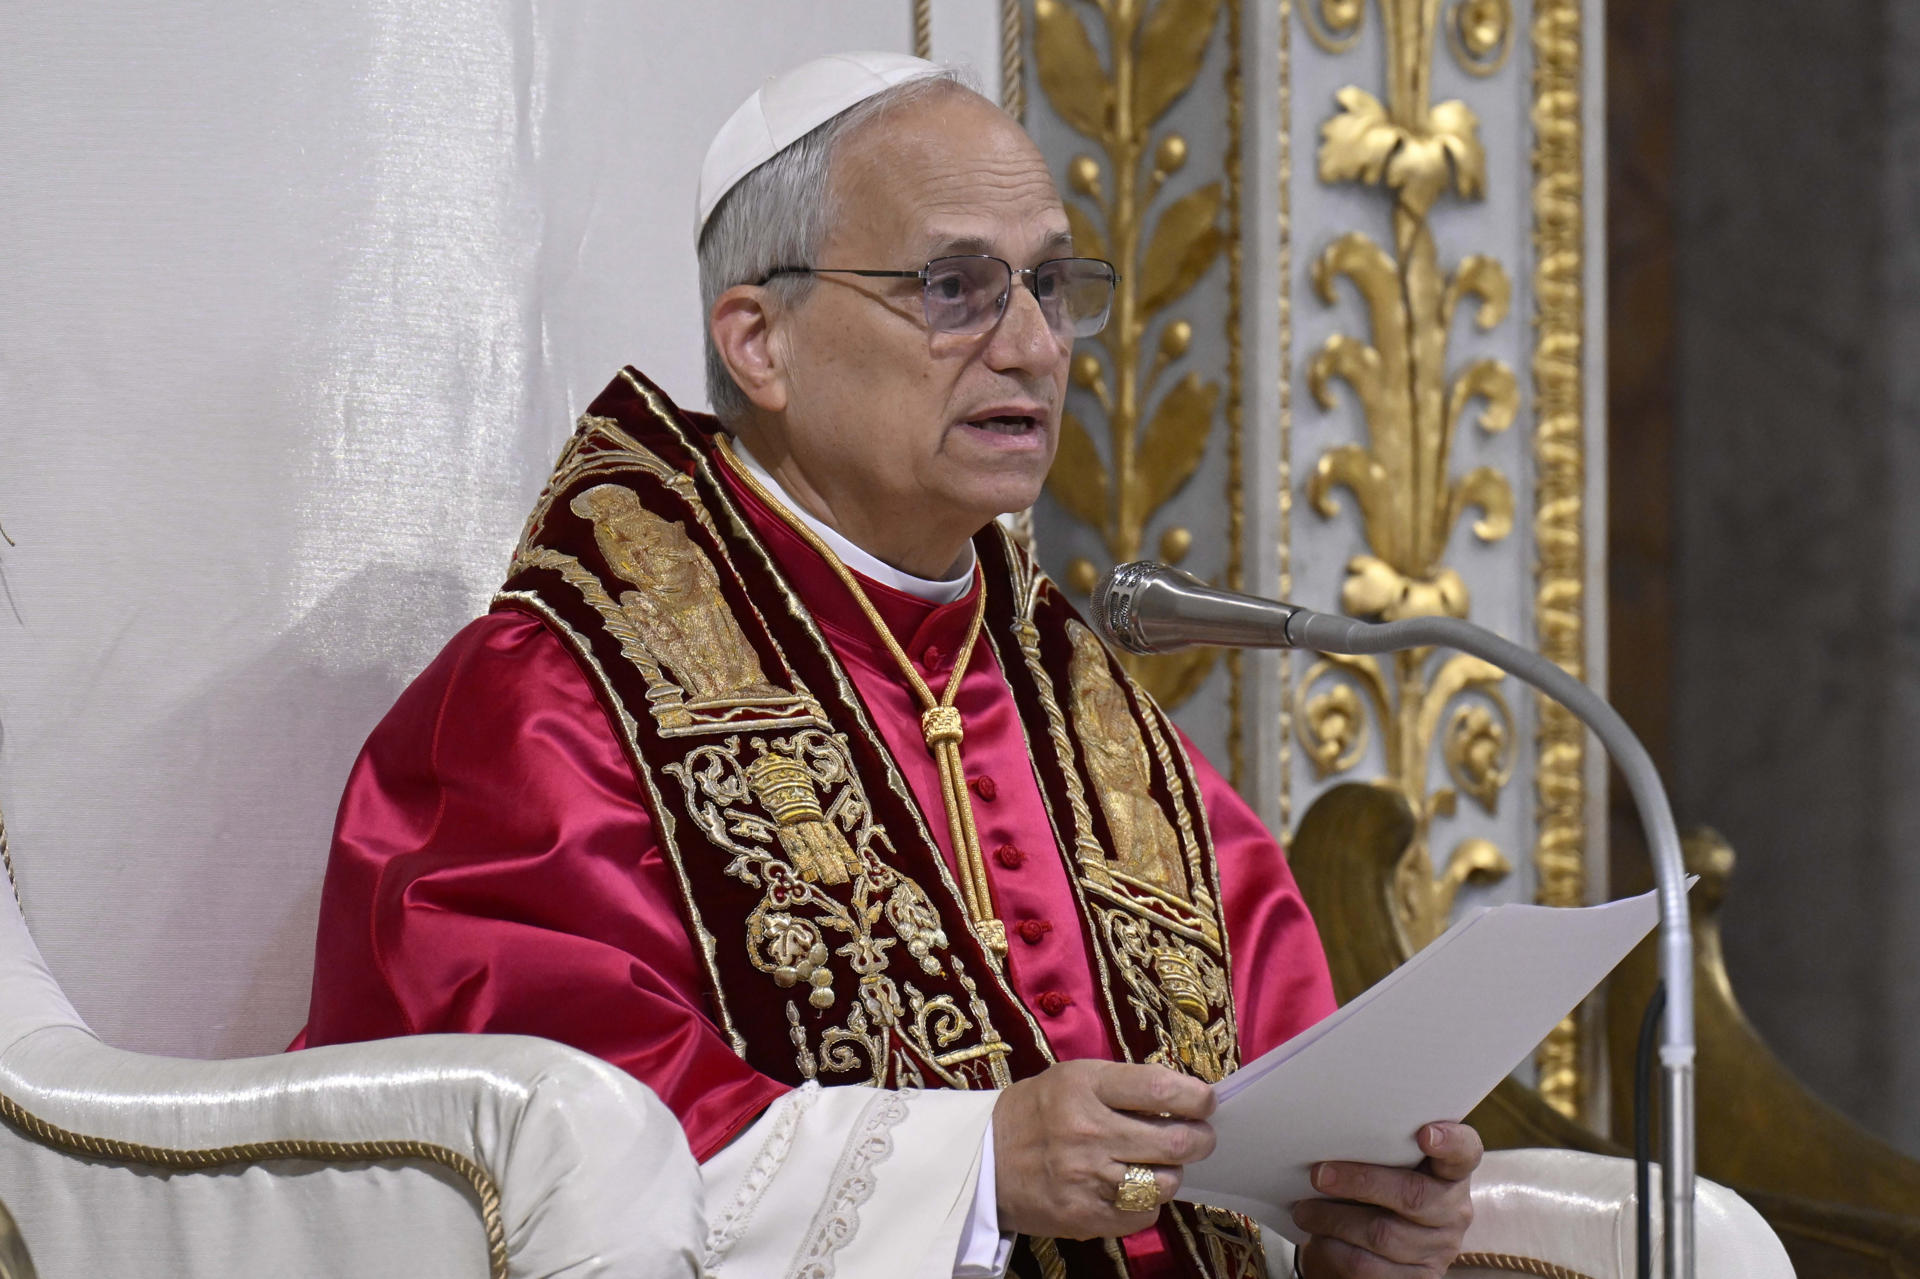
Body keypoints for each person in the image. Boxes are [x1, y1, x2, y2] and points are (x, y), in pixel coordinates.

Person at [298, 51, 1481, 1279]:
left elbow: (1275, 1129)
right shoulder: (557, 706)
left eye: (1051, 284)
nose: (1033, 344)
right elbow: (538, 1159)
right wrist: (971, 1169)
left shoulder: (1104, 736)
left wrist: (1349, 1232)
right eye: (955, 288)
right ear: (760, 342)